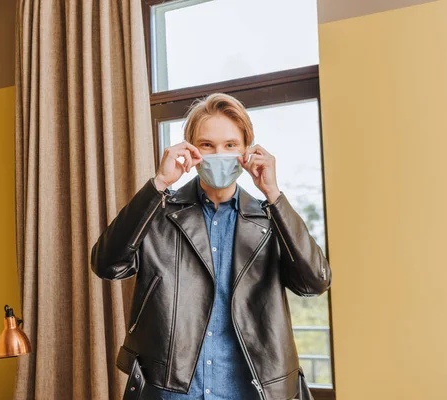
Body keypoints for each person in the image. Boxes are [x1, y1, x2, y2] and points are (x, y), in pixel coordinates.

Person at [91, 93, 331, 400]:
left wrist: (273, 194)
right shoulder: (158, 213)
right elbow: (106, 264)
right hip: (171, 391)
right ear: (191, 150)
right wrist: (159, 184)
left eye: (230, 145)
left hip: (250, 391)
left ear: (247, 151)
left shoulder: (270, 217)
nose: (220, 154)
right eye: (207, 145)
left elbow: (315, 281)